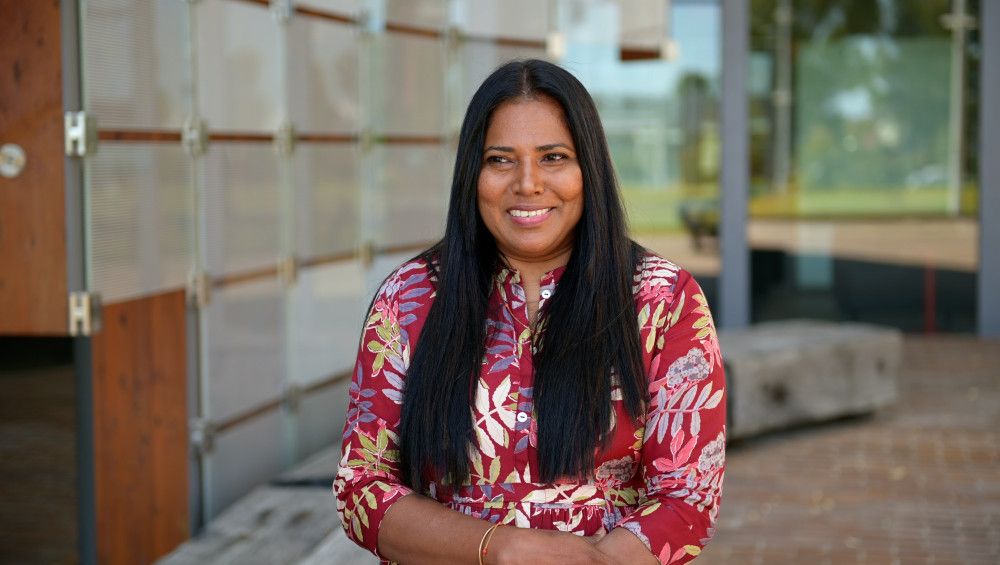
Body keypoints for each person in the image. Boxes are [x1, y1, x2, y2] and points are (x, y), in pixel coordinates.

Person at [335, 59, 725, 564]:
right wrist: (499, 548)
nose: (528, 183)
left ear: (589, 168)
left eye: (553, 157)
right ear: (472, 174)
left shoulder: (663, 301)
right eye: (500, 160)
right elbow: (361, 488)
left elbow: (687, 499)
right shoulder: (408, 299)